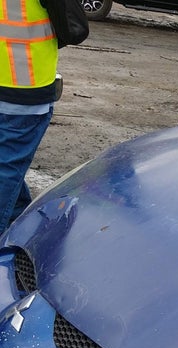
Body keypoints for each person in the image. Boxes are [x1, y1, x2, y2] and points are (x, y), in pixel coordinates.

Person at [0, 0, 85, 233]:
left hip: (15, 85)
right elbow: (74, 29)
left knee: (7, 167)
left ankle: (20, 229)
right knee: (6, 170)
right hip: (24, 87)